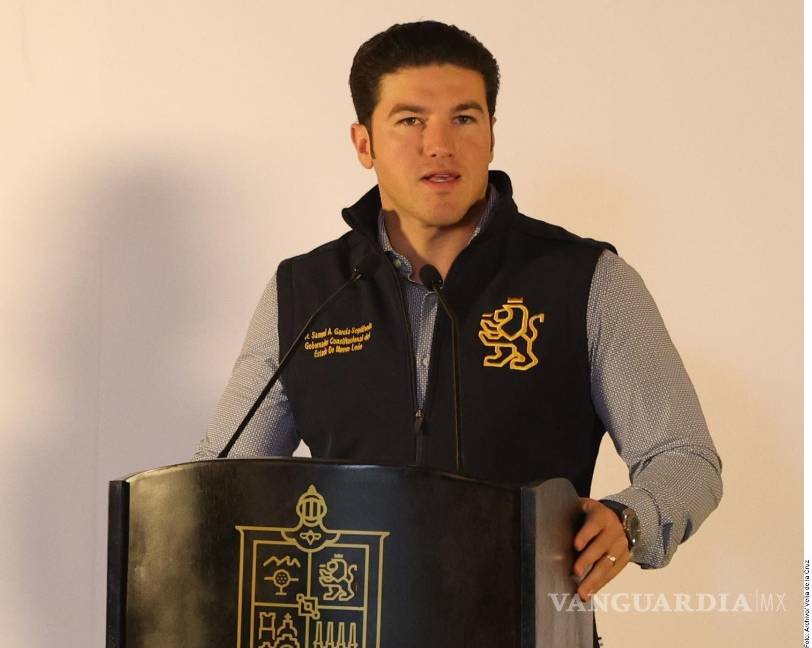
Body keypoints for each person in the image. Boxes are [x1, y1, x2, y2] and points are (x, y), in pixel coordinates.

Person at [194, 20, 722, 644]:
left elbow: (684, 458)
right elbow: (220, 480)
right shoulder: (306, 292)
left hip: (528, 630)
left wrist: (629, 519)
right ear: (364, 143)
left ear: (492, 133)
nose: (439, 145)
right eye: (410, 120)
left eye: (464, 119)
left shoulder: (586, 280)